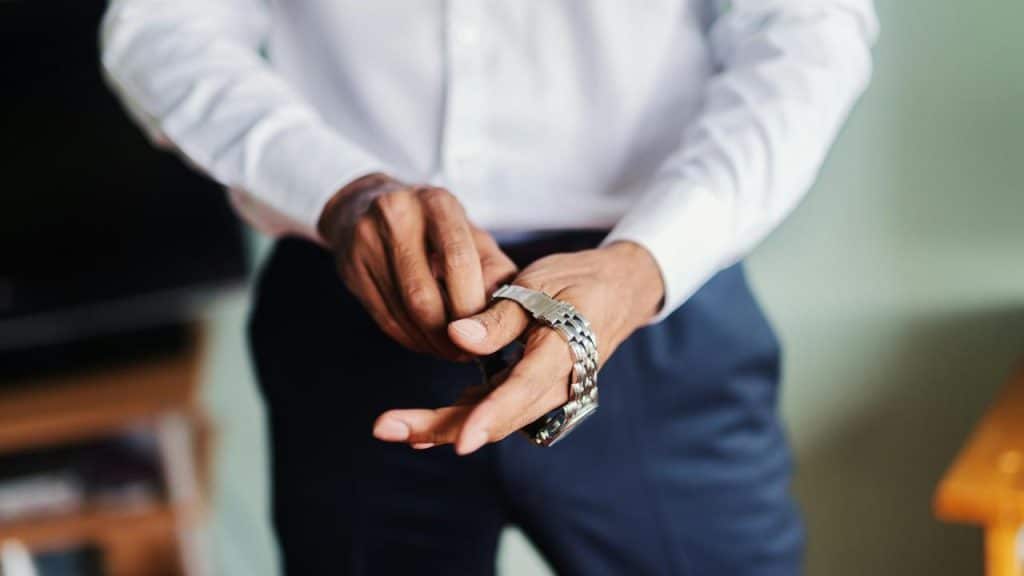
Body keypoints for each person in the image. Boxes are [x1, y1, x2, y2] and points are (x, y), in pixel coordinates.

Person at [101, 2, 877, 574]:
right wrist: (336, 191)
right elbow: (160, 25)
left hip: (651, 305)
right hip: (355, 299)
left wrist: (650, 261)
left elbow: (807, 28)